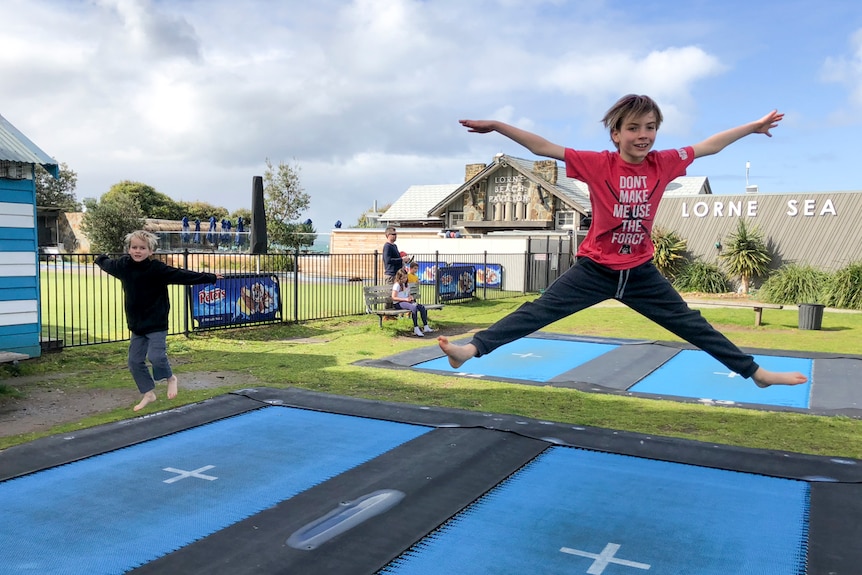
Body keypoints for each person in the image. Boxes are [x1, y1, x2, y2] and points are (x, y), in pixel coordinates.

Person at [438, 94, 807, 389]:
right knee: (538, 311)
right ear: (616, 134)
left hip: (640, 272)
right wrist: (500, 126)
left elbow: (710, 146)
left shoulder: (664, 163)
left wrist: (753, 128)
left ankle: (756, 375)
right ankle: (469, 350)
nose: (643, 135)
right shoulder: (598, 164)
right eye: (633, 128)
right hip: (595, 269)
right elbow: (544, 148)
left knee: (693, 325)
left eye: (650, 127)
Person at [95, 230, 224, 411]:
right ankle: (148, 393)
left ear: (151, 251)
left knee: (155, 356)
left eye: (142, 248)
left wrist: (208, 277)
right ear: (129, 249)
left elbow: (182, 275)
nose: (137, 251)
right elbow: (108, 264)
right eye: (134, 247)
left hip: (156, 323)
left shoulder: (157, 269)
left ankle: (171, 378)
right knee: (134, 361)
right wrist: (100, 258)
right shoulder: (123, 266)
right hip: (137, 325)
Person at [392, 268, 433, 337]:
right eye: (403, 278)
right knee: (413, 308)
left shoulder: (406, 284)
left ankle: (426, 326)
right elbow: (393, 297)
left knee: (421, 307)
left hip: (406, 301)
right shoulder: (397, 285)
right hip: (398, 303)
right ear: (399, 278)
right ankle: (416, 328)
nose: (404, 279)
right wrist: (405, 299)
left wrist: (410, 297)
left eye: (405, 277)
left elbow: (408, 294)